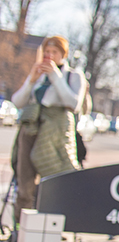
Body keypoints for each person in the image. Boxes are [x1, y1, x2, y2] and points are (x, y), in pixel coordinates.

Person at [11, 35, 86, 228]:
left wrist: (55, 76)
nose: (49, 56)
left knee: (54, 181)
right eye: (46, 52)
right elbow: (18, 102)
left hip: (56, 135)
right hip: (30, 130)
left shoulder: (73, 76)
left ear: (63, 54)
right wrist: (31, 81)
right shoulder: (38, 74)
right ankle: (21, 228)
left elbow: (73, 103)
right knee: (25, 182)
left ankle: (52, 225)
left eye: (54, 52)